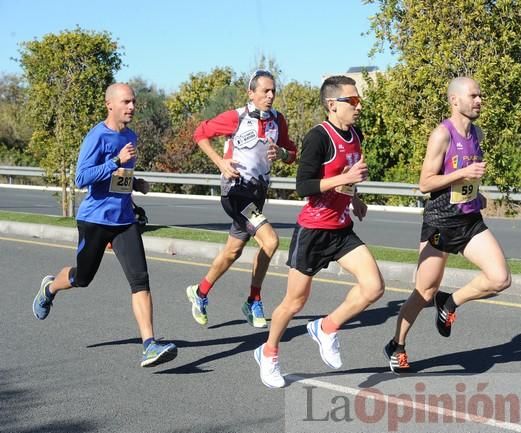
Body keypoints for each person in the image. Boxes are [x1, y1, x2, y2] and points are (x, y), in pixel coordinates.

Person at [32, 83, 178, 368]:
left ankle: (149, 344)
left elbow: (119, 178)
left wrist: (135, 183)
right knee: (82, 278)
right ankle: (50, 288)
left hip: (124, 220)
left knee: (140, 281)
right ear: (109, 104)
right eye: (126, 102)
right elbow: (81, 178)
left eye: (134, 102)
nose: (132, 107)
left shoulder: (131, 135)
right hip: (94, 220)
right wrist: (115, 160)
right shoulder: (97, 136)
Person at [254, 75, 385, 388]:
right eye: (352, 100)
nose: (358, 105)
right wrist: (343, 181)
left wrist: (356, 199)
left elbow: (345, 176)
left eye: (358, 99)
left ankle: (327, 327)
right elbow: (304, 186)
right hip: (312, 230)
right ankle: (268, 352)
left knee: (374, 287)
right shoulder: (318, 137)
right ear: (332, 105)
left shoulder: (355, 133)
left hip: (341, 228)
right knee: (295, 302)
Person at [383, 77, 511, 373]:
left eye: (481, 96)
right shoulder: (442, 134)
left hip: (469, 220)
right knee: (424, 292)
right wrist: (464, 173)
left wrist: (478, 193)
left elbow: (466, 178)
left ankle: (451, 303)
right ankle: (397, 345)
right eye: (474, 96)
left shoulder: (476, 132)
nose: (480, 101)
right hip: (440, 222)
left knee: (500, 278)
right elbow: (425, 183)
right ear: (455, 101)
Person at [184, 70, 296, 328]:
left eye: (273, 91)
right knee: (270, 240)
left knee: (233, 251)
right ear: (251, 93)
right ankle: (253, 300)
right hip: (235, 191)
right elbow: (200, 134)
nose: (270, 95)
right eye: (265, 91)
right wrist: (220, 162)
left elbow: (291, 153)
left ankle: (199, 292)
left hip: (258, 192)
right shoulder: (237, 116)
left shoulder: (278, 120)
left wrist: (281, 153)